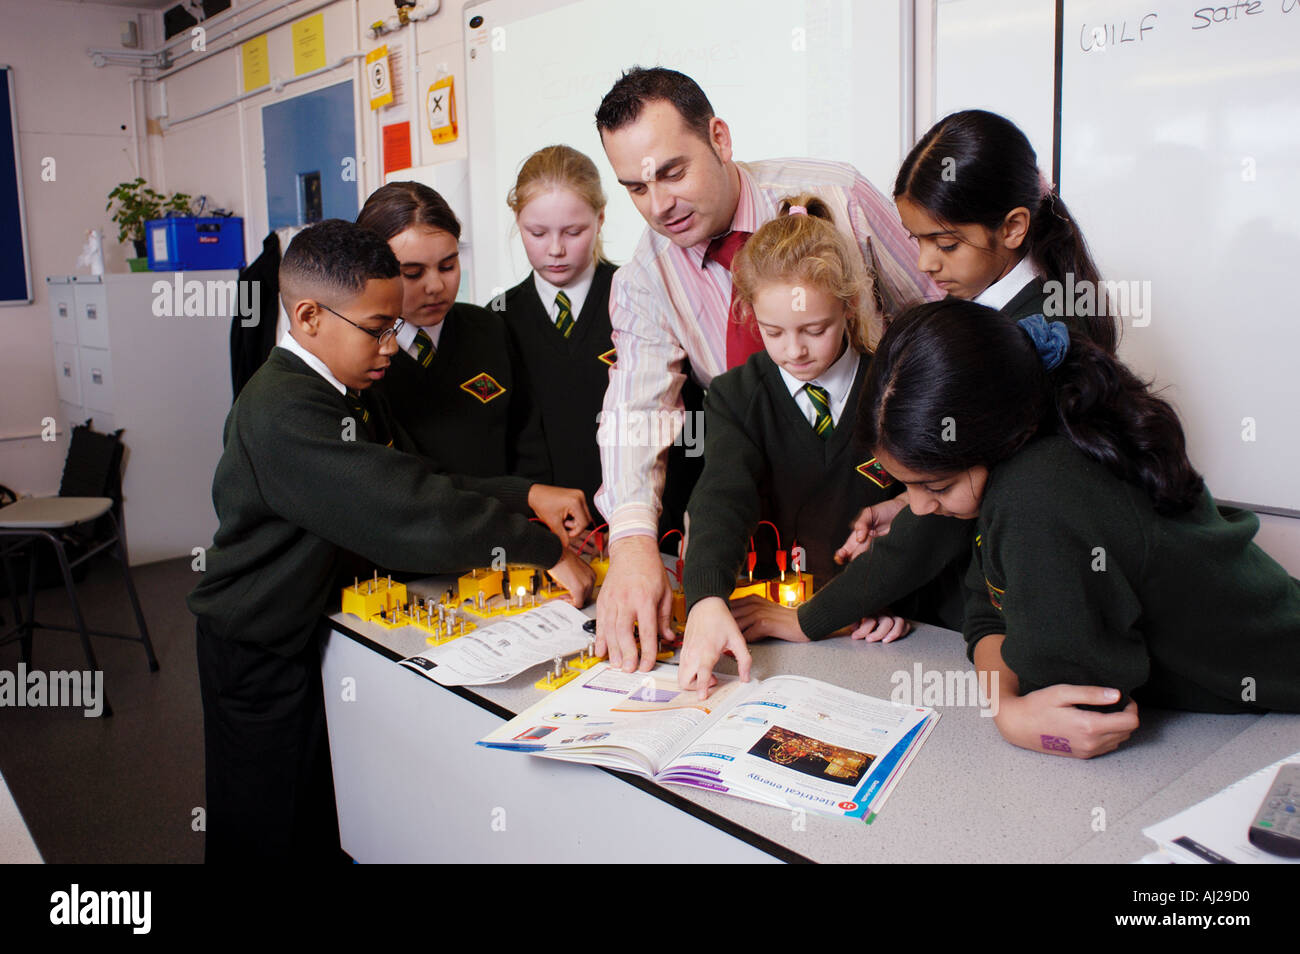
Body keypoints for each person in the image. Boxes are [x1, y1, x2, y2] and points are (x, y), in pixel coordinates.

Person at [188, 219, 593, 860]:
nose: (391, 346)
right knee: (268, 825)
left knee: (328, 810)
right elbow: (406, 512)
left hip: (304, 626)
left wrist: (524, 496)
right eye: (378, 330)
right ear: (310, 316)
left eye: (394, 328)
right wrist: (544, 550)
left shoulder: (340, 389)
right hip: (257, 644)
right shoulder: (284, 412)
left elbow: (409, 475)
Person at [592, 66, 937, 671]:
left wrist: (927, 497)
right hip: (765, 565)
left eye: (672, 172)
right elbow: (636, 413)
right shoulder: (645, 278)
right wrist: (631, 544)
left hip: (884, 535)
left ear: (720, 138)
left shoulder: (842, 199)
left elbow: (945, 323)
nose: (660, 205)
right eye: (636, 188)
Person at [859, 298, 1300, 757]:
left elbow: (1085, 714)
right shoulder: (1031, 442)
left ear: (998, 440)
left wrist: (1013, 714)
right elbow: (988, 610)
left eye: (936, 485)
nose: (919, 508)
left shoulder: (1038, 492)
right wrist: (1006, 704)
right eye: (905, 486)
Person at [794, 109, 1124, 647]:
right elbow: (969, 475)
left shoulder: (1029, 335)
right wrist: (906, 501)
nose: (924, 262)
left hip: (1018, 609)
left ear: (1014, 227)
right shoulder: (1023, 305)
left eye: (945, 244)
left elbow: (951, 510)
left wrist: (813, 616)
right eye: (916, 239)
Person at [676, 197, 937, 697]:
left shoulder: (896, 385)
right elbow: (721, 497)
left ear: (849, 306)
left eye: (814, 330)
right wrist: (706, 598)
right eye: (774, 332)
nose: (794, 350)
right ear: (751, 314)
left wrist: (887, 599)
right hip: (779, 638)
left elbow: (934, 511)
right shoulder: (734, 396)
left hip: (882, 637)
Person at [498, 144, 701, 539]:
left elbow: (685, 423)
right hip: (544, 545)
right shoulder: (498, 320)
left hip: (652, 532)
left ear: (601, 218)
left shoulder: (643, 299)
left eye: (574, 232)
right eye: (536, 232)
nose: (555, 249)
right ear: (517, 221)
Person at [356, 183, 579, 533]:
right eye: (412, 273)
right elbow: (404, 482)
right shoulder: (361, 360)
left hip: (505, 542)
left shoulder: (488, 328)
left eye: (447, 266)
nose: (435, 286)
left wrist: (538, 525)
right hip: (410, 553)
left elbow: (526, 442)